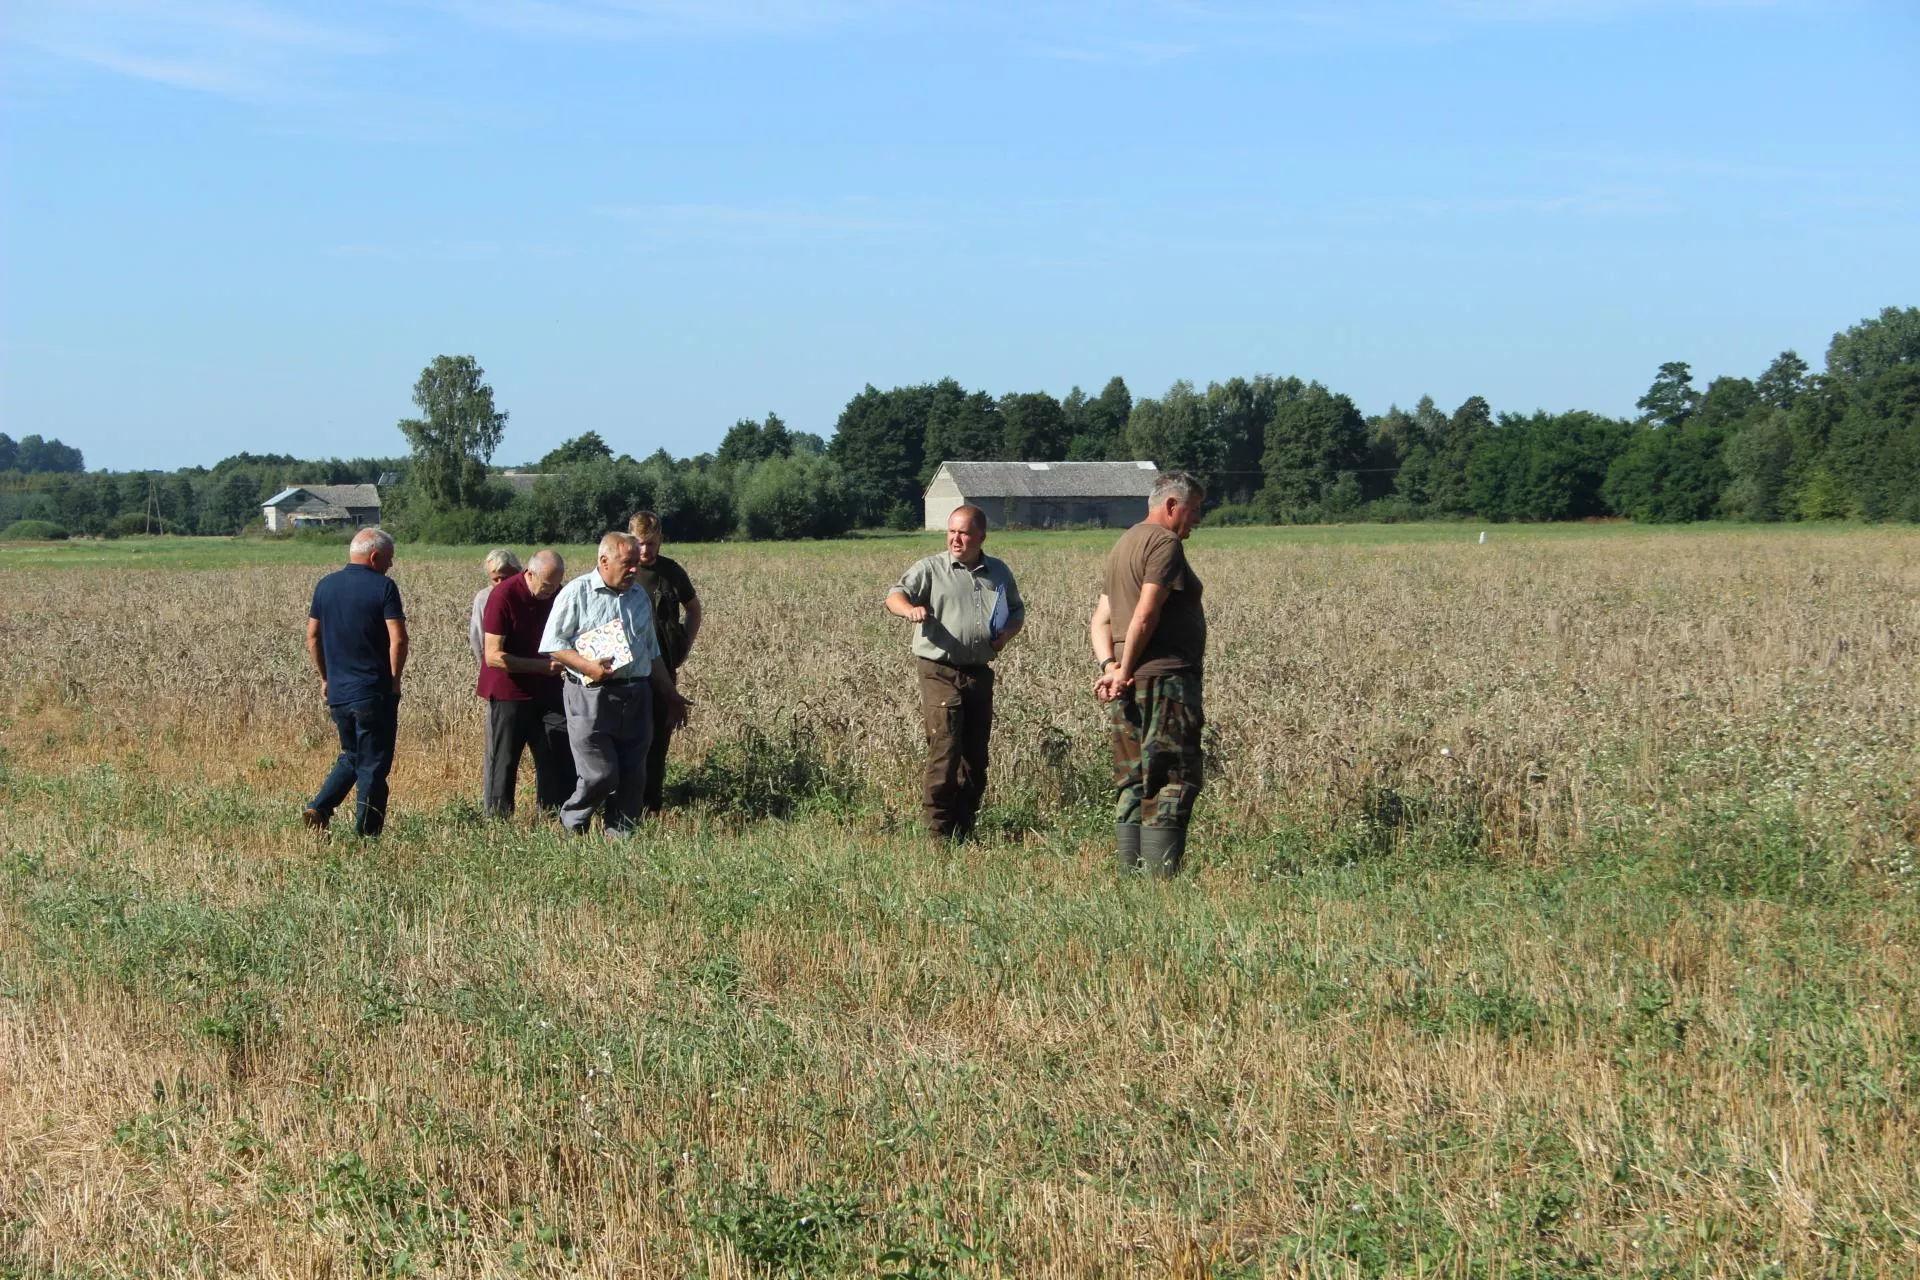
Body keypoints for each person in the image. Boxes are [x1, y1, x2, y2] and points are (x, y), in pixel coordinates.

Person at [1091, 472, 1207, 877]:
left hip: (1128, 684)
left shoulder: (1124, 543)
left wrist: (1111, 668)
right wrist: (1123, 669)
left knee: (1133, 779)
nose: (1197, 519)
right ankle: (1160, 883)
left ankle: (1132, 877)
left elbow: (1100, 620)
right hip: (1165, 682)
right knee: (1171, 775)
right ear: (1171, 505)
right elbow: (1146, 612)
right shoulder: (1164, 543)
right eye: (1194, 509)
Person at [884, 505, 1025, 839]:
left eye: (963, 533)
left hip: (979, 673)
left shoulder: (998, 572)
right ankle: (938, 835)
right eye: (951, 532)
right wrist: (909, 610)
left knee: (975, 756)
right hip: (939, 671)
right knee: (945, 750)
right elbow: (894, 595)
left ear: (981, 537)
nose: (955, 539)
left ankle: (964, 831)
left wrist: (1006, 634)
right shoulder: (931, 569)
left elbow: (1016, 611)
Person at [540, 531, 689, 836]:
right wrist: (588, 667)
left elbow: (651, 653)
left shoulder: (639, 597)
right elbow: (553, 644)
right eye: (627, 563)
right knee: (601, 774)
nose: (635, 569)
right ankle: (573, 819)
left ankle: (621, 841)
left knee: (633, 776)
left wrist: (670, 694)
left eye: (637, 563)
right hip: (590, 696)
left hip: (636, 694)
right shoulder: (577, 592)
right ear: (604, 561)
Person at [304, 527, 409, 836]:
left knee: (352, 755)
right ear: (374, 557)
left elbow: (312, 636)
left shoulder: (325, 585)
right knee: (373, 765)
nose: (391, 564)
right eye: (389, 558)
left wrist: (325, 678)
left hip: (339, 692)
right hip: (373, 691)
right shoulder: (384, 586)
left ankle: (319, 807)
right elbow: (398, 639)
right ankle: (367, 836)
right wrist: (394, 680)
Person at [480, 548, 575, 818]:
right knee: (504, 760)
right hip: (509, 692)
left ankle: (556, 815)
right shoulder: (503, 596)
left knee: (557, 751)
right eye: (546, 586)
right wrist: (541, 666)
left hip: (549, 689)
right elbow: (493, 656)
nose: (551, 592)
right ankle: (498, 821)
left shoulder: (558, 594)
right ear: (529, 574)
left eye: (556, 585)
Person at [628, 511, 703, 813]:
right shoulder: (623, 570)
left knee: (659, 740)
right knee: (630, 739)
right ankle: (624, 805)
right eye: (639, 543)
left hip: (665, 668)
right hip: (630, 672)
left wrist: (685, 645)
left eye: (651, 543)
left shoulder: (671, 572)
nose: (645, 550)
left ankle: (651, 806)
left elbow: (694, 609)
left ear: (660, 539)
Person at [470, 549, 522, 665]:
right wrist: (484, 665)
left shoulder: (527, 595)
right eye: (495, 579)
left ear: (517, 573)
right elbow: (477, 636)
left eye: (505, 578)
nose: (500, 583)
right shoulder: (483, 598)